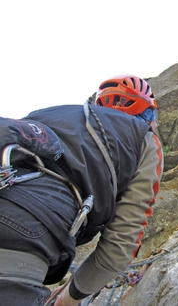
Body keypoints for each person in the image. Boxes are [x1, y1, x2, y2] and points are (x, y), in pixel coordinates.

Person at [0, 75, 164, 306]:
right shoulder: (144, 139)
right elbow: (121, 244)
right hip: (28, 225)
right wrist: (68, 299)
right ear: (147, 115)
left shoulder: (52, 114)